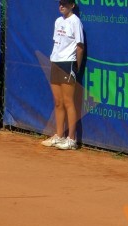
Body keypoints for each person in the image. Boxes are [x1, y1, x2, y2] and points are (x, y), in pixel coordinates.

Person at [41, 0, 84, 151]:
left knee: (68, 102)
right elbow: (57, 43)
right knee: (58, 102)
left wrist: (76, 65)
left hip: (68, 63)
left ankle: (71, 139)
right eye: (60, 3)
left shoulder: (75, 21)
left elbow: (79, 46)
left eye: (65, 4)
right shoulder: (58, 21)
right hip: (55, 62)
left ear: (72, 5)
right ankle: (59, 135)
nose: (61, 6)